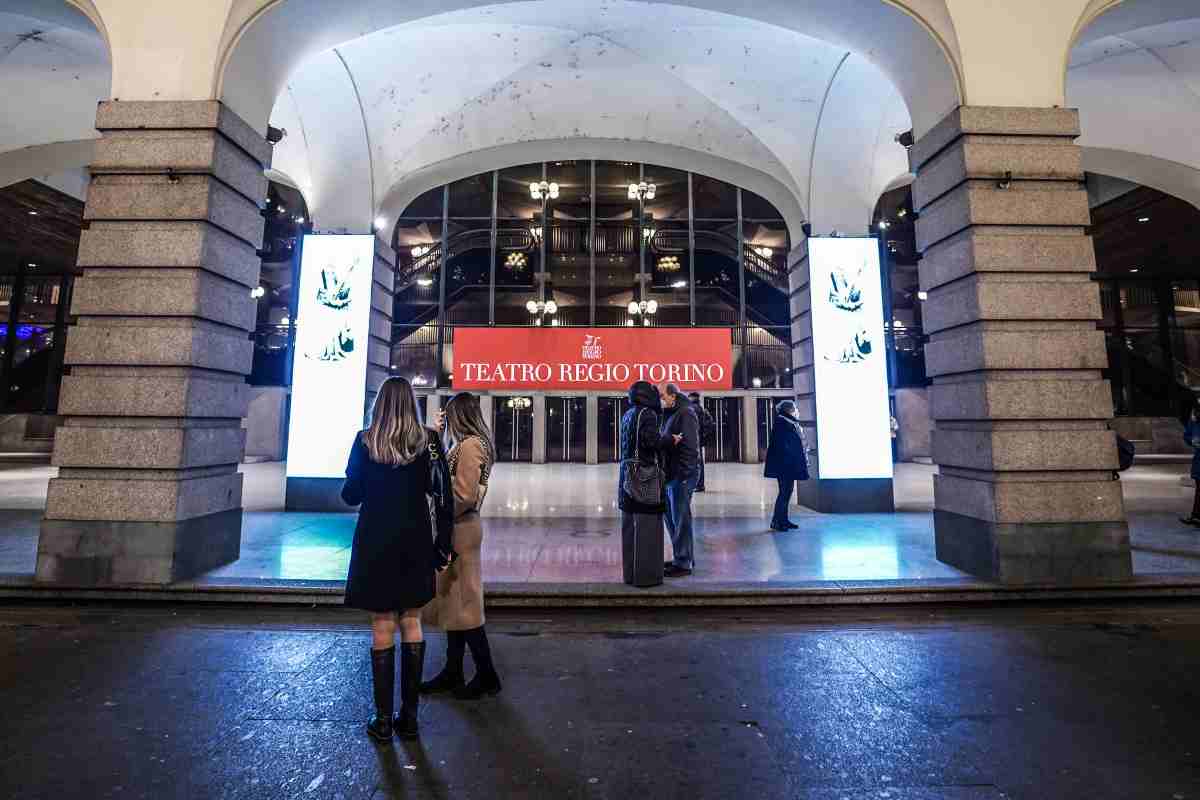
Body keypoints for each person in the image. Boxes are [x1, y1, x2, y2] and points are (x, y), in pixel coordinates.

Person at [342, 377, 454, 741]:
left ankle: (383, 719)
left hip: (375, 541)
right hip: (415, 539)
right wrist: (444, 544)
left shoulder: (364, 440)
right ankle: (410, 718)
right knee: (412, 620)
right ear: (412, 403)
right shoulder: (429, 441)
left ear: (379, 405)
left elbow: (350, 494)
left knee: (381, 625)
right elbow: (441, 494)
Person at [420, 392, 503, 699]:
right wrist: (437, 437)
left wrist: (440, 512)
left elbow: (464, 495)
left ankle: (486, 674)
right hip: (459, 528)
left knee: (466, 605)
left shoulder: (470, 445)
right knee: (455, 604)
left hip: (461, 529)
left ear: (461, 416)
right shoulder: (468, 443)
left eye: (450, 415)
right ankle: (453, 671)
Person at [618, 381, 667, 587]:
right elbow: (651, 441)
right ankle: (647, 577)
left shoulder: (628, 414)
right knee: (647, 527)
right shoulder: (647, 414)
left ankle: (630, 575)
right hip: (644, 477)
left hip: (626, 476)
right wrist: (669, 440)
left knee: (630, 528)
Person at [657, 382, 701, 577]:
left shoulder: (685, 413)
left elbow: (691, 447)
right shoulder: (674, 413)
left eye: (662, 395)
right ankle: (682, 556)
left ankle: (683, 562)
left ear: (673, 395)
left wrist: (683, 474)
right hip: (672, 473)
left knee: (680, 517)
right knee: (672, 516)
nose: (661, 399)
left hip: (681, 474)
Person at [764, 400, 810, 531]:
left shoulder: (788, 422)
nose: (797, 411)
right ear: (789, 410)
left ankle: (783, 520)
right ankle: (777, 521)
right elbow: (784, 446)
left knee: (787, 492)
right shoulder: (783, 423)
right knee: (784, 493)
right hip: (785, 465)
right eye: (795, 408)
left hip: (787, 465)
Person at [688, 391, 716, 492]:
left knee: (696, 463)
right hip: (699, 439)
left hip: (694, 439)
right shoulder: (700, 408)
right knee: (699, 462)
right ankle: (700, 484)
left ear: (692, 398)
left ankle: (698, 485)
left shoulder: (693, 409)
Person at [1182, 404, 1200, 527]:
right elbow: (1187, 435)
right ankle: (1196, 516)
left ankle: (1196, 516)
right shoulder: (1194, 420)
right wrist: (1192, 441)